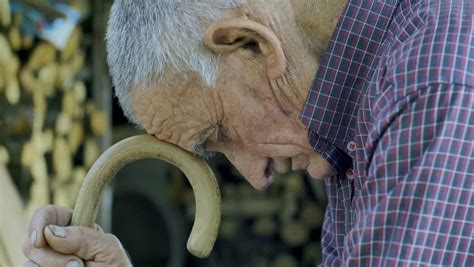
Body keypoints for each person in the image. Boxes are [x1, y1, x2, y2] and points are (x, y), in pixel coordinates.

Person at [23, 0, 473, 266]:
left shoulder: (429, 88)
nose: (257, 176)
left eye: (221, 131)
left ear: (249, 43)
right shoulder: (356, 117)